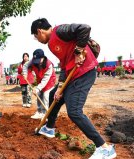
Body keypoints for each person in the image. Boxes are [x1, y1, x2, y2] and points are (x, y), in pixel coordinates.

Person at [31, 18, 117, 159]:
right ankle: (49, 128)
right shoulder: (52, 44)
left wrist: (78, 51)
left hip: (84, 73)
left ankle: (104, 148)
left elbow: (84, 28)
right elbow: (64, 64)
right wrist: (60, 86)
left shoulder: (59, 31)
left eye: (36, 36)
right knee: (55, 95)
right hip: (72, 75)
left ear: (39, 31)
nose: (37, 39)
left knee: (74, 112)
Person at [23, 49, 56, 119]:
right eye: (35, 60)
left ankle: (46, 114)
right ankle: (39, 112)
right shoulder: (33, 61)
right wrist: (25, 74)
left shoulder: (49, 65)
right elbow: (25, 66)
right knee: (39, 94)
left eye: (38, 60)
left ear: (43, 58)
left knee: (46, 96)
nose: (37, 63)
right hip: (40, 80)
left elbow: (45, 79)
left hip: (49, 81)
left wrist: (37, 88)